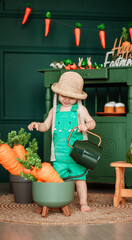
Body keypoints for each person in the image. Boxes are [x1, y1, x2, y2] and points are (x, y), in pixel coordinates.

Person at [28, 71, 96, 212]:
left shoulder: (80, 110)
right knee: (57, 180)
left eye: (71, 97)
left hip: (77, 154)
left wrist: (86, 126)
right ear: (58, 94)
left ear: (77, 97)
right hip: (59, 156)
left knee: (80, 179)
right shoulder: (55, 110)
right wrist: (38, 125)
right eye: (63, 95)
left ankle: (83, 202)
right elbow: (46, 126)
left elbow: (92, 122)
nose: (66, 99)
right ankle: (58, 200)